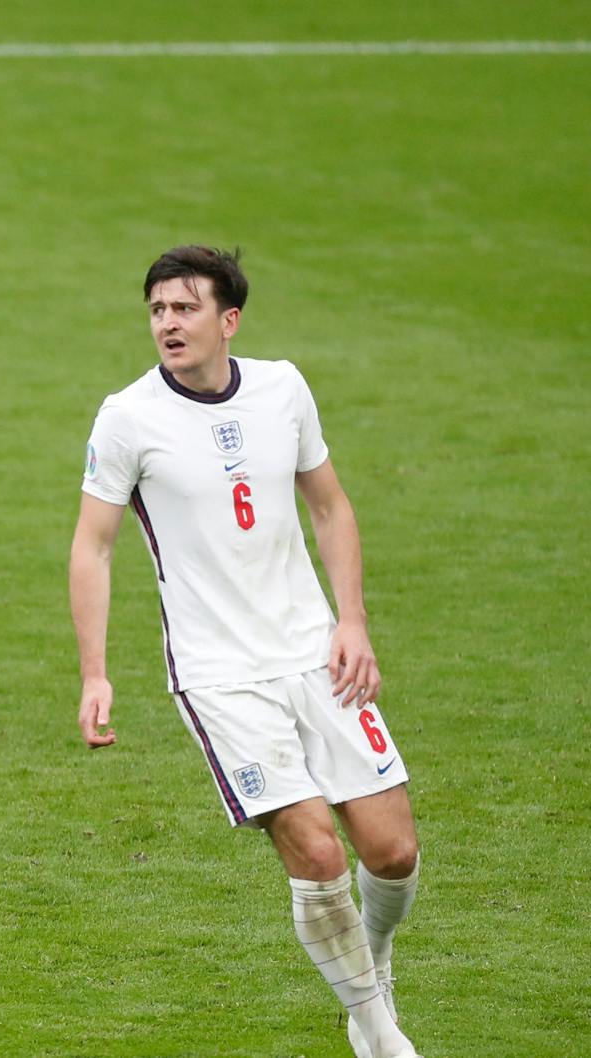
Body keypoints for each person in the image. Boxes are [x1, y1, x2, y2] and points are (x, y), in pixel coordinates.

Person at [68, 248, 422, 1058]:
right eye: (157, 310)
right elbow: (93, 546)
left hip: (315, 653)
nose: (167, 323)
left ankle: (371, 970)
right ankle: (379, 1033)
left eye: (184, 308)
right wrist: (95, 672)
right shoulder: (127, 418)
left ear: (229, 320)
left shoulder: (282, 388)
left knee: (394, 852)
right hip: (219, 675)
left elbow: (329, 507)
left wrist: (352, 620)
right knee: (318, 852)